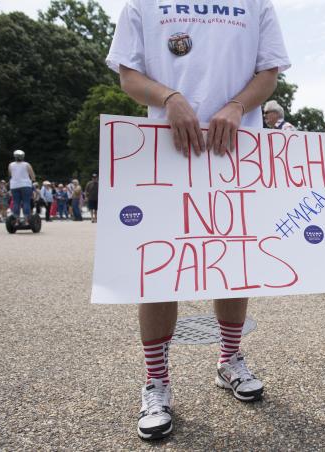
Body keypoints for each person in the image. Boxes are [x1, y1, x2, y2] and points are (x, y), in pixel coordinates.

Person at [106, 0, 290, 440]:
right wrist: (169, 97)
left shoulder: (255, 3)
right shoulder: (143, 3)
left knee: (232, 262)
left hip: (236, 148)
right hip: (164, 148)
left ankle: (229, 360)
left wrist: (235, 106)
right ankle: (156, 382)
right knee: (158, 269)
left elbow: (269, 71)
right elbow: (128, 74)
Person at [8, 150, 35, 223]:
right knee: (26, 202)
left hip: (14, 186)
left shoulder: (11, 165)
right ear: (23, 156)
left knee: (16, 202)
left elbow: (10, 175)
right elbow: (32, 176)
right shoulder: (27, 164)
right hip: (25, 185)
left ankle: (16, 219)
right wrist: (33, 181)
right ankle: (26, 219)